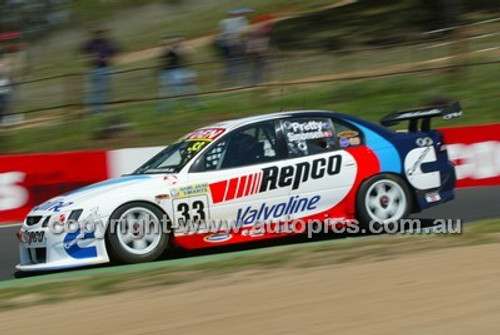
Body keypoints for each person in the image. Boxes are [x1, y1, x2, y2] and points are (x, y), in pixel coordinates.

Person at [157, 34, 201, 112]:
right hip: (169, 71)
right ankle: (164, 109)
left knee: (190, 88)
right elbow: (165, 54)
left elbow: (191, 52)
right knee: (171, 91)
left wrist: (183, 43)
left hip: (180, 70)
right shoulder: (167, 49)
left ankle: (193, 104)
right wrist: (171, 44)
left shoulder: (179, 47)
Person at [81, 27, 118, 114]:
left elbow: (115, 52)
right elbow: (81, 52)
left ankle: (101, 108)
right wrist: (88, 58)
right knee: (95, 90)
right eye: (96, 33)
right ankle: (93, 109)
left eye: (99, 33)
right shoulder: (91, 43)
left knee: (103, 89)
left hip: (105, 68)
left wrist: (110, 58)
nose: (98, 35)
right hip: (94, 68)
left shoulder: (107, 43)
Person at [217, 8, 251, 87]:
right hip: (236, 44)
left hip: (225, 44)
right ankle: (242, 83)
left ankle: (225, 84)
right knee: (240, 62)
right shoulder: (242, 20)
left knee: (231, 63)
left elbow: (220, 32)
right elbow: (243, 33)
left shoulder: (224, 21)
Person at [247, 14, 275, 85]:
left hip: (254, 49)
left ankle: (255, 82)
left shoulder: (258, 28)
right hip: (258, 49)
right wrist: (263, 51)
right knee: (262, 65)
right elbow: (261, 41)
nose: (273, 21)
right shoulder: (265, 29)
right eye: (271, 19)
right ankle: (258, 82)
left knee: (258, 66)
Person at [0, 54, 12, 127]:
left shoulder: (3, 65)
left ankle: (6, 121)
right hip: (3, 89)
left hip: (5, 88)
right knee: (3, 105)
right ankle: (5, 121)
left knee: (5, 105)